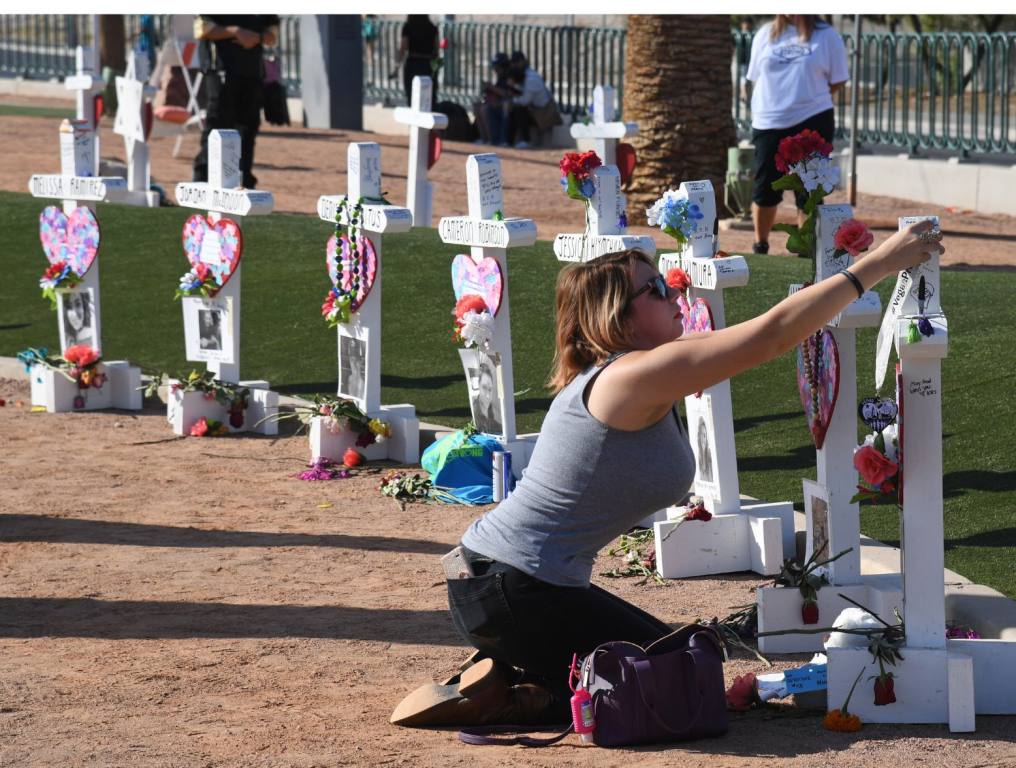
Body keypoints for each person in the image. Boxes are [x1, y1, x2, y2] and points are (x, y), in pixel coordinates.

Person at [390, 220, 944, 727]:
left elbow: (763, 331)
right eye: (654, 290)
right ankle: (518, 691)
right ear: (617, 317)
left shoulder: (631, 371)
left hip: (505, 588)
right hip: (512, 591)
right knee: (687, 679)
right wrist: (882, 261)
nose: (672, 293)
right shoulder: (629, 378)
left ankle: (519, 671)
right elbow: (772, 336)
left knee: (692, 655)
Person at [745, 15, 849, 254]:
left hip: (812, 119)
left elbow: (837, 80)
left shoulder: (827, 35)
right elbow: (755, 77)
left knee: (809, 188)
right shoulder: (765, 34)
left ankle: (806, 247)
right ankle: (760, 244)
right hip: (769, 121)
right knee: (765, 186)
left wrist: (805, 98)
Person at [192, 14, 280, 190]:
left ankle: (243, 182)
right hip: (221, 70)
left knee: (248, 129)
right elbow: (202, 29)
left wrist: (258, 37)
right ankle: (202, 183)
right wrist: (235, 32)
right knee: (217, 125)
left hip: (252, 72)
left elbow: (272, 35)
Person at [505, 51, 558, 149]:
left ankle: (526, 141)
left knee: (518, 109)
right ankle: (508, 141)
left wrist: (513, 100)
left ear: (523, 61)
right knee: (513, 110)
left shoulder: (531, 78)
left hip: (544, 114)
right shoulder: (523, 75)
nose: (514, 65)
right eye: (513, 63)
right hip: (534, 110)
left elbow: (525, 101)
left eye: (517, 62)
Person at [392, 15, 439, 106]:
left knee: (412, 94)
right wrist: (435, 69)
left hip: (413, 63)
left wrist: (397, 66)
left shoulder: (408, 27)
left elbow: (403, 48)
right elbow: (436, 50)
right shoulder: (432, 27)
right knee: (429, 95)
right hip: (428, 64)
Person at [474, 53, 511, 146]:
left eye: (498, 67)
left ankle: (493, 140)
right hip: (497, 104)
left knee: (485, 109)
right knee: (477, 106)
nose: (496, 70)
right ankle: (485, 139)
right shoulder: (500, 77)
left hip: (507, 106)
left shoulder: (510, 76)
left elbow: (508, 94)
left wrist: (491, 87)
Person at [472, 356, 502, 435]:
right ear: (478, 384)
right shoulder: (474, 407)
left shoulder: (496, 414)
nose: (488, 395)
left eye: (490, 389)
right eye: (484, 387)